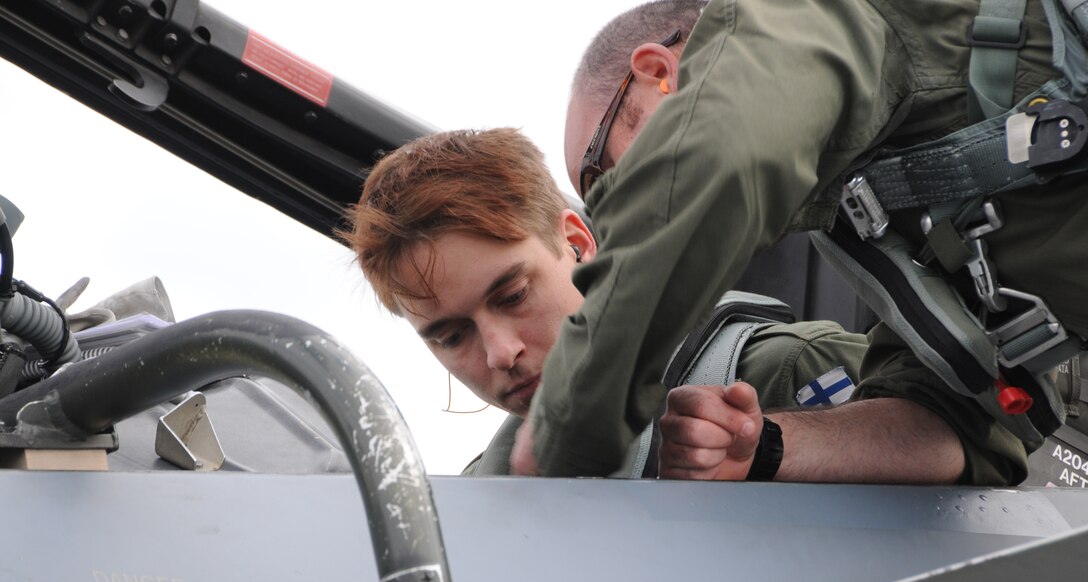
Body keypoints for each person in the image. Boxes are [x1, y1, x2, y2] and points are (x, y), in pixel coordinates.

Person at [510, 0, 1083, 485]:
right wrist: (762, 447)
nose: (618, 229)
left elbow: (722, 154)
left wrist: (563, 435)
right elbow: (964, 429)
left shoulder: (794, 17)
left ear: (660, 70)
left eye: (608, 185)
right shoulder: (868, 217)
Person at [343, 127, 869, 476]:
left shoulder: (789, 370)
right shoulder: (486, 490)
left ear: (577, 242)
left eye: (513, 295)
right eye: (452, 336)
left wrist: (774, 450)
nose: (500, 353)